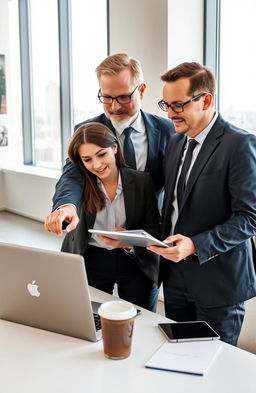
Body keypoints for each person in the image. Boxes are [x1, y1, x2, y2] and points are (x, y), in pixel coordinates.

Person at [147, 62, 256, 345]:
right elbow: (171, 207)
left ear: (206, 100)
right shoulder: (175, 142)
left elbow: (249, 218)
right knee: (177, 360)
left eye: (178, 105)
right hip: (174, 278)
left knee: (214, 373)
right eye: (166, 104)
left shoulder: (241, 144)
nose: (170, 113)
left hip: (218, 284)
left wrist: (195, 245)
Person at [44, 53, 175, 235]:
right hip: (95, 238)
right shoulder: (85, 130)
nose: (114, 107)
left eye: (123, 97)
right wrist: (66, 206)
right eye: (107, 97)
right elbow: (72, 175)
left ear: (142, 90)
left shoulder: (168, 130)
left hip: (145, 241)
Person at [55, 122, 161, 312]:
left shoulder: (142, 181)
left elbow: (154, 228)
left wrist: (129, 242)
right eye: (87, 159)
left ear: (114, 148)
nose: (96, 165)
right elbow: (66, 196)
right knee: (90, 319)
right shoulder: (80, 185)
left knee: (142, 319)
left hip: (134, 261)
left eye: (101, 154)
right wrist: (63, 212)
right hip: (90, 259)